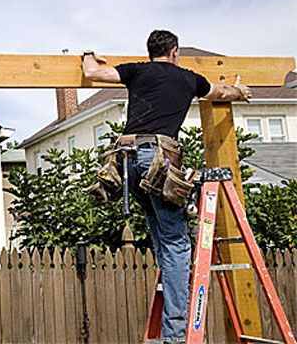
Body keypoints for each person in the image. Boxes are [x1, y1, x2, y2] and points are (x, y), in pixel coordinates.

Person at [81, 30, 251, 343]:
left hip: (126, 161)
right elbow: (221, 92)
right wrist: (239, 90)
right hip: (157, 158)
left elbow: (91, 72)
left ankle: (169, 307)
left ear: (150, 52)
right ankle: (174, 336)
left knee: (161, 233)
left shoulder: (136, 71)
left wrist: (89, 52)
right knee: (177, 244)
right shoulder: (189, 78)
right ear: (174, 51)